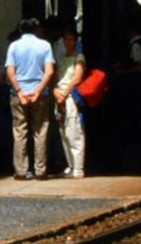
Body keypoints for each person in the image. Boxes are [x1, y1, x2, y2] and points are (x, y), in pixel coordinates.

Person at [5, 17, 56, 180]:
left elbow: (10, 72)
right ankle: (40, 171)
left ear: (21, 30)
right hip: (40, 94)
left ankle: (20, 171)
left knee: (20, 131)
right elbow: (49, 72)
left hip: (18, 94)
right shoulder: (45, 45)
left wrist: (19, 91)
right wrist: (38, 91)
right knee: (40, 131)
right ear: (37, 30)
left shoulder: (13, 46)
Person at [52, 25, 86, 178]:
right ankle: (70, 164)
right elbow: (55, 76)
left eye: (71, 39)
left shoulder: (79, 57)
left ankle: (78, 167)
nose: (68, 42)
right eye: (66, 39)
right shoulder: (60, 58)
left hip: (71, 96)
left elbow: (77, 78)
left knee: (74, 130)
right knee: (63, 132)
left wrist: (63, 94)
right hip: (60, 95)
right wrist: (56, 92)